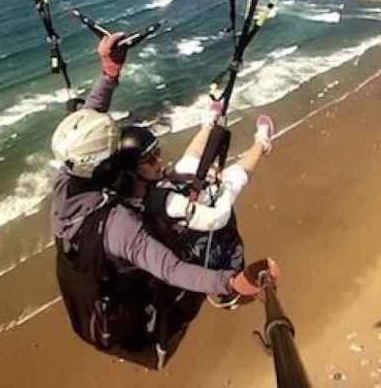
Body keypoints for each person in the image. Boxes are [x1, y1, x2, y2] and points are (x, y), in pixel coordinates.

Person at [49, 33, 278, 362]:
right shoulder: (118, 226)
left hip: (105, 260)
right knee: (209, 214)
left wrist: (109, 73)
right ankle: (261, 144)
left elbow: (91, 119)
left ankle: (239, 138)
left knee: (192, 173)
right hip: (130, 298)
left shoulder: (70, 176)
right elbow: (171, 268)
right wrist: (230, 283)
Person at [143, 106, 275, 308]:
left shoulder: (145, 184)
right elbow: (217, 218)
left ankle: (208, 124)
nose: (158, 161)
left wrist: (178, 176)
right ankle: (262, 143)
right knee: (235, 177)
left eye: (157, 154)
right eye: (151, 160)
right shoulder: (164, 201)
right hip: (199, 235)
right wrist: (221, 187)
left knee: (188, 162)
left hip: (180, 204)